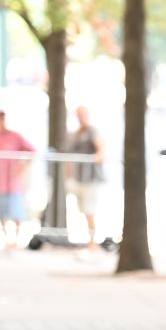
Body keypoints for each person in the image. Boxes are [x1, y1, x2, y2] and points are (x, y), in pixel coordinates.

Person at [0, 110, 36, 250]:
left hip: (13, 184)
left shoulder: (15, 137)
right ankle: (7, 240)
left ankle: (16, 241)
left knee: (16, 213)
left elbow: (32, 151)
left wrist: (20, 168)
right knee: (0, 213)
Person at [67, 106, 106, 249]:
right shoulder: (75, 134)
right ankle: (89, 239)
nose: (80, 117)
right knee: (84, 210)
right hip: (79, 178)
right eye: (78, 115)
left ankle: (92, 242)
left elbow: (101, 148)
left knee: (89, 211)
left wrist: (99, 156)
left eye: (82, 114)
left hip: (91, 178)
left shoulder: (92, 131)